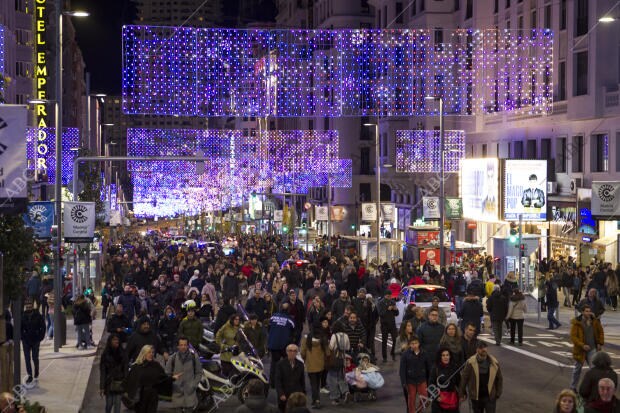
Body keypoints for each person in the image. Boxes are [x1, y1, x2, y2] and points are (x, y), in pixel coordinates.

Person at [124, 345, 177, 413]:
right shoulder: (136, 366)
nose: (151, 354)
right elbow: (130, 381)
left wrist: (172, 378)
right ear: (144, 353)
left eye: (152, 352)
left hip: (153, 395)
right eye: (149, 352)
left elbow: (163, 379)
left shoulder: (156, 366)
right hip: (140, 396)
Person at [459, 341, 503, 413]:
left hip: (490, 397)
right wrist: (462, 393)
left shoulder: (494, 362)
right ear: (477, 350)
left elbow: (499, 378)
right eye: (481, 348)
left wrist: (498, 393)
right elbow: (464, 378)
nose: (483, 350)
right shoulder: (470, 362)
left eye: (485, 348)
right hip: (476, 397)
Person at [570, 304, 604, 391]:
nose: (588, 313)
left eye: (589, 311)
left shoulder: (594, 321)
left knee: (594, 369)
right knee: (577, 370)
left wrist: (600, 343)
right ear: (582, 312)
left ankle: (594, 388)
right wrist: (582, 345)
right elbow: (573, 337)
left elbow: (600, 332)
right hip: (580, 350)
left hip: (592, 349)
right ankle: (573, 387)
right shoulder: (577, 323)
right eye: (586, 311)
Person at [165, 336, 202, 412]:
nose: (183, 347)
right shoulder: (172, 358)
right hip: (177, 393)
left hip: (190, 393)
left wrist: (194, 385)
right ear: (178, 346)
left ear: (188, 346)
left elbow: (199, 372)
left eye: (185, 345)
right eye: (181, 345)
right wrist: (173, 380)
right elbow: (167, 375)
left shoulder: (194, 357)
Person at [300, 324, 330, 409]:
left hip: (310, 364)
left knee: (313, 383)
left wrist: (305, 359)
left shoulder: (306, 338)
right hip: (320, 365)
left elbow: (302, 352)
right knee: (317, 383)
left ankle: (316, 400)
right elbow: (328, 353)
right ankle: (316, 400)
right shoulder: (323, 339)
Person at [399, 336, 431, 413]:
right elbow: (402, 370)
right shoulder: (405, 355)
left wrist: (429, 380)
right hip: (410, 381)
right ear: (409, 345)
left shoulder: (424, 353)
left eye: (416, 343)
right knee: (411, 400)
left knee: (425, 399)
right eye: (412, 343)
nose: (414, 345)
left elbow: (429, 368)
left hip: (422, 380)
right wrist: (404, 382)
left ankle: (418, 411)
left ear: (419, 343)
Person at [267, 303, 296, 387]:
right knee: (286, 364)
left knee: (274, 364)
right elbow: (294, 332)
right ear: (288, 310)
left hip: (273, 344)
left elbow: (269, 328)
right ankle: (285, 382)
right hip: (284, 346)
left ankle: (272, 383)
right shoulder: (290, 320)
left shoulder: (273, 317)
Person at [100, 334, 128, 413]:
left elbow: (126, 370)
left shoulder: (123, 353)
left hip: (119, 382)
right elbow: (103, 371)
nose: (116, 341)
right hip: (109, 383)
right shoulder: (105, 355)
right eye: (114, 339)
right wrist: (102, 387)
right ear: (110, 341)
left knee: (117, 405)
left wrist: (126, 384)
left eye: (117, 339)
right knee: (109, 404)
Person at [21, 299, 45, 387]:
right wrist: (22, 337)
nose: (28, 307)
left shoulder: (37, 315)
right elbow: (20, 327)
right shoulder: (23, 316)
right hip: (26, 340)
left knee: (35, 357)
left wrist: (40, 337)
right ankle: (30, 375)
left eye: (30, 305)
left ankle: (36, 370)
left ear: (32, 305)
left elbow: (43, 327)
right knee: (27, 358)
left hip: (35, 339)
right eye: (27, 305)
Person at [275, 344, 305, 413]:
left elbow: (302, 380)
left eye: (295, 351)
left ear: (297, 353)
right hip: (284, 395)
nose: (292, 353)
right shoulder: (280, 364)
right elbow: (278, 381)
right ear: (287, 352)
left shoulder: (300, 364)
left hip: (296, 396)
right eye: (290, 351)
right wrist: (281, 394)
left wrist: (303, 393)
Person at [429, 347, 461, 413]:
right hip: (439, 401)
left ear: (450, 356)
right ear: (440, 357)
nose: (445, 357)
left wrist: (463, 393)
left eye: (447, 355)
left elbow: (459, 382)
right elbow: (431, 384)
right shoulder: (435, 368)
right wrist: (436, 397)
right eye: (443, 355)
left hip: (452, 399)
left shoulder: (455, 367)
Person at [377, 289, 399, 362]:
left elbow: (397, 314)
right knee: (384, 341)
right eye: (387, 296)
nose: (389, 297)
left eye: (390, 296)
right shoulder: (380, 303)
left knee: (395, 339)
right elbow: (380, 313)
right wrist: (387, 309)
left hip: (392, 324)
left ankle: (393, 354)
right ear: (385, 295)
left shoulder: (392, 302)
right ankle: (384, 357)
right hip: (384, 324)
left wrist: (395, 309)